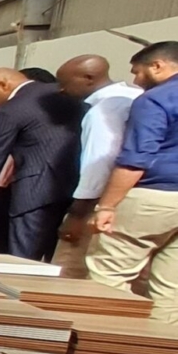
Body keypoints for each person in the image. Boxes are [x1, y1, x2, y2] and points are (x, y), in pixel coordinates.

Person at [0, 67, 85, 260]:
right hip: (74, 189)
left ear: (3, 85)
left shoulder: (11, 110)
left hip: (33, 192)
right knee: (55, 257)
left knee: (22, 258)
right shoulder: (68, 95)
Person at [87, 42, 178, 321]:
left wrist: (107, 206)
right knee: (170, 290)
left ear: (157, 66)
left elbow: (136, 158)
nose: (136, 81)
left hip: (153, 196)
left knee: (109, 276)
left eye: (137, 72)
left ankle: (103, 348)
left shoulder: (156, 99)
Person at [55, 55, 141, 267]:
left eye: (65, 83)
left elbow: (99, 163)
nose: (61, 90)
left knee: (69, 269)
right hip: (139, 196)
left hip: (102, 202)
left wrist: (77, 214)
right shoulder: (137, 96)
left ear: (89, 77)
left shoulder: (104, 110)